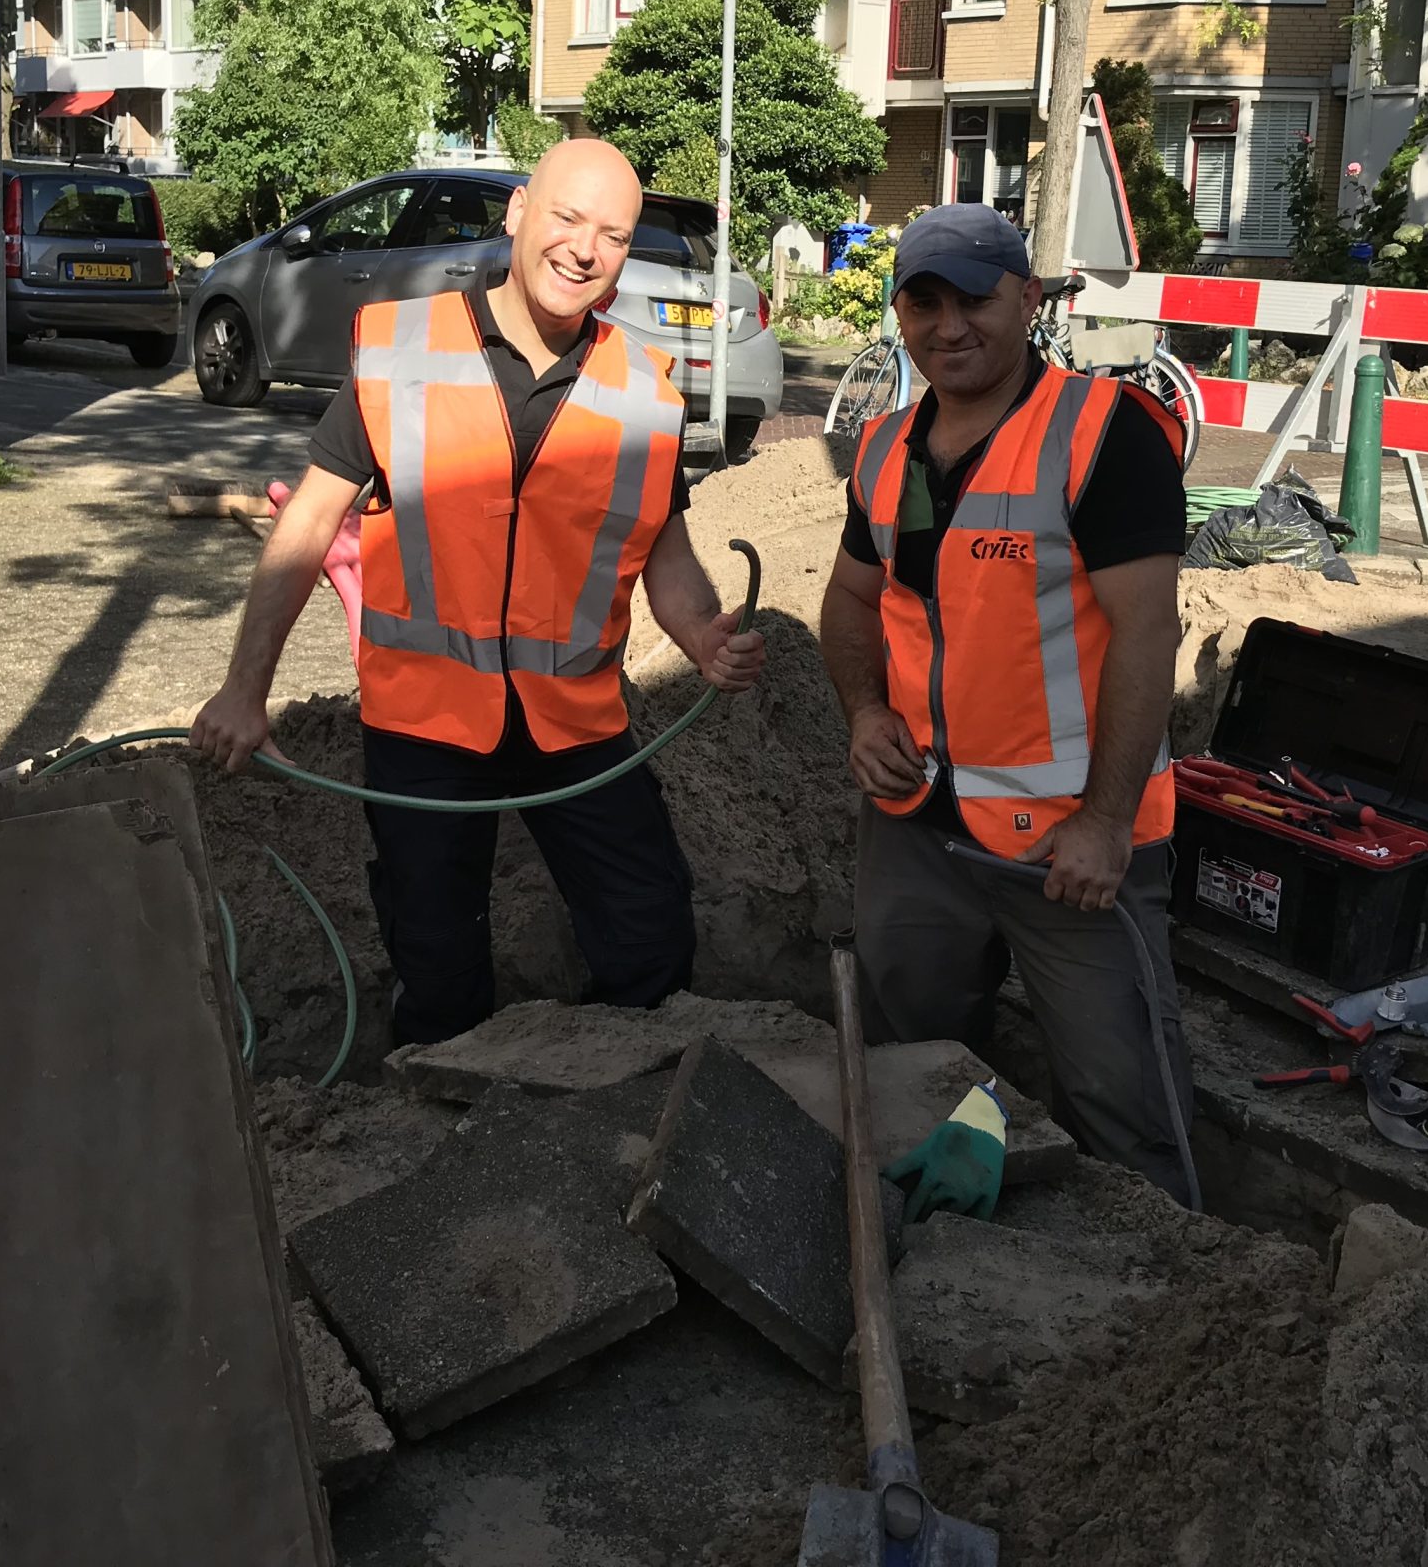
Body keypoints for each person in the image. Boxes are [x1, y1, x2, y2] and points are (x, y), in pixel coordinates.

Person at [192, 140, 765, 1047]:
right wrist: (243, 688)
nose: (584, 249)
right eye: (567, 219)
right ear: (517, 214)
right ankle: (441, 1137)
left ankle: (621, 1116)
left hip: (575, 723)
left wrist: (706, 637)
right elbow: (304, 529)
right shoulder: (403, 352)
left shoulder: (647, 394)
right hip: (425, 722)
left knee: (651, 938)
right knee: (439, 968)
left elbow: (669, 561)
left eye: (612, 235)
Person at [816, 203, 1196, 1199]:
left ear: (1025, 298)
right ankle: (951, 1251)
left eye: (974, 299)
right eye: (922, 301)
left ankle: (1158, 1287)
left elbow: (1149, 635)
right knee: (913, 1074)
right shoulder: (887, 447)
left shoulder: (1102, 436)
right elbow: (852, 601)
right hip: (917, 831)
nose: (948, 325)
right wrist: (863, 713)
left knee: (1123, 1104)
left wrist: (1108, 820)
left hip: (1068, 850)